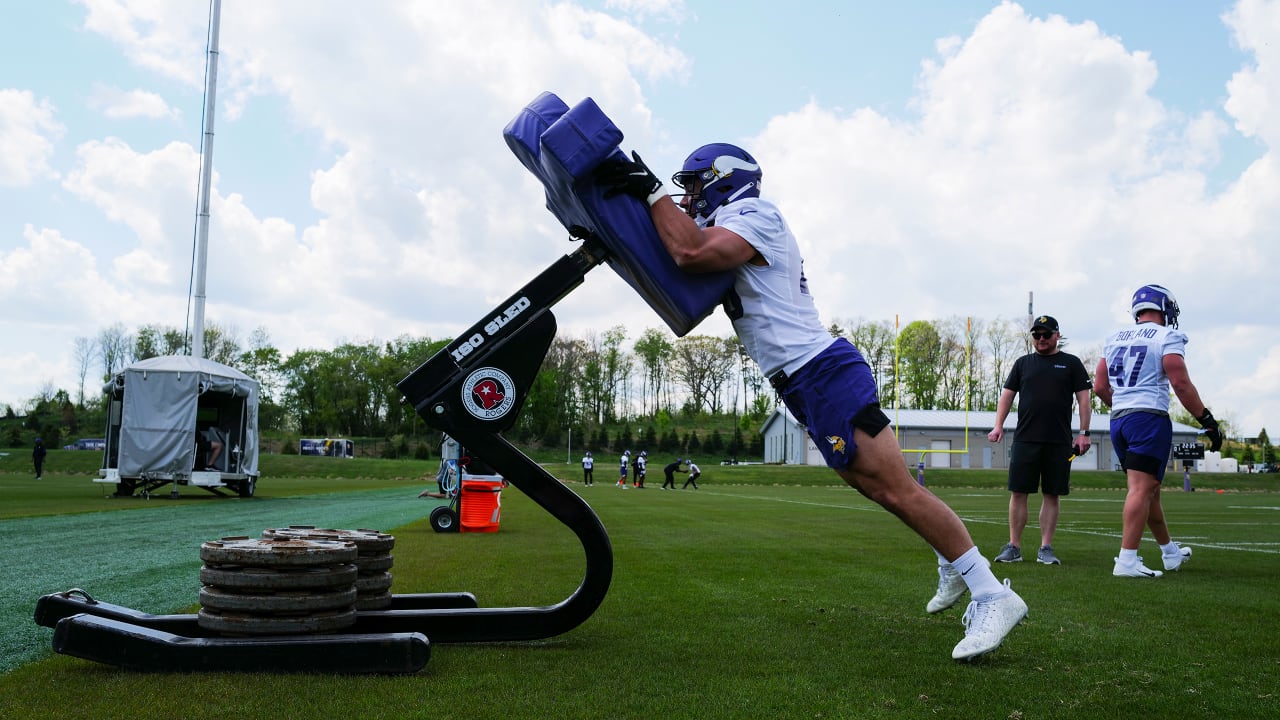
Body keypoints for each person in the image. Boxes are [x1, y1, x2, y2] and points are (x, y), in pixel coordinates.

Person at [596, 142, 1027, 660]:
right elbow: (676, 258)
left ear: (722, 178)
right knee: (875, 484)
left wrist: (650, 191)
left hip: (821, 370)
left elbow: (690, 253)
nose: (687, 197)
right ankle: (948, 555)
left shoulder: (754, 212)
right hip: (803, 380)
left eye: (692, 184)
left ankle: (991, 594)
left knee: (892, 488)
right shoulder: (731, 218)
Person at [1093, 284, 1221, 578]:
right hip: (1148, 419)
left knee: (1150, 491)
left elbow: (1100, 386)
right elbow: (1181, 384)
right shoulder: (1167, 336)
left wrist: (1126, 403)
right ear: (1163, 307)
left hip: (1119, 420)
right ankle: (1126, 561)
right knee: (1141, 489)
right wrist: (1207, 419)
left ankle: (1169, 553)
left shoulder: (1114, 337)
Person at [986, 315, 1092, 566]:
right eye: (1036, 335)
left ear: (1057, 335)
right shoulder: (1023, 364)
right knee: (1019, 492)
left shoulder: (1071, 363)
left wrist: (1084, 433)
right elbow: (1007, 396)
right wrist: (998, 425)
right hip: (1025, 439)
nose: (1041, 339)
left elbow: (1084, 400)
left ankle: (1046, 547)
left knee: (1052, 494)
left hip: (1059, 441)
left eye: (1046, 334)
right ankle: (1014, 546)